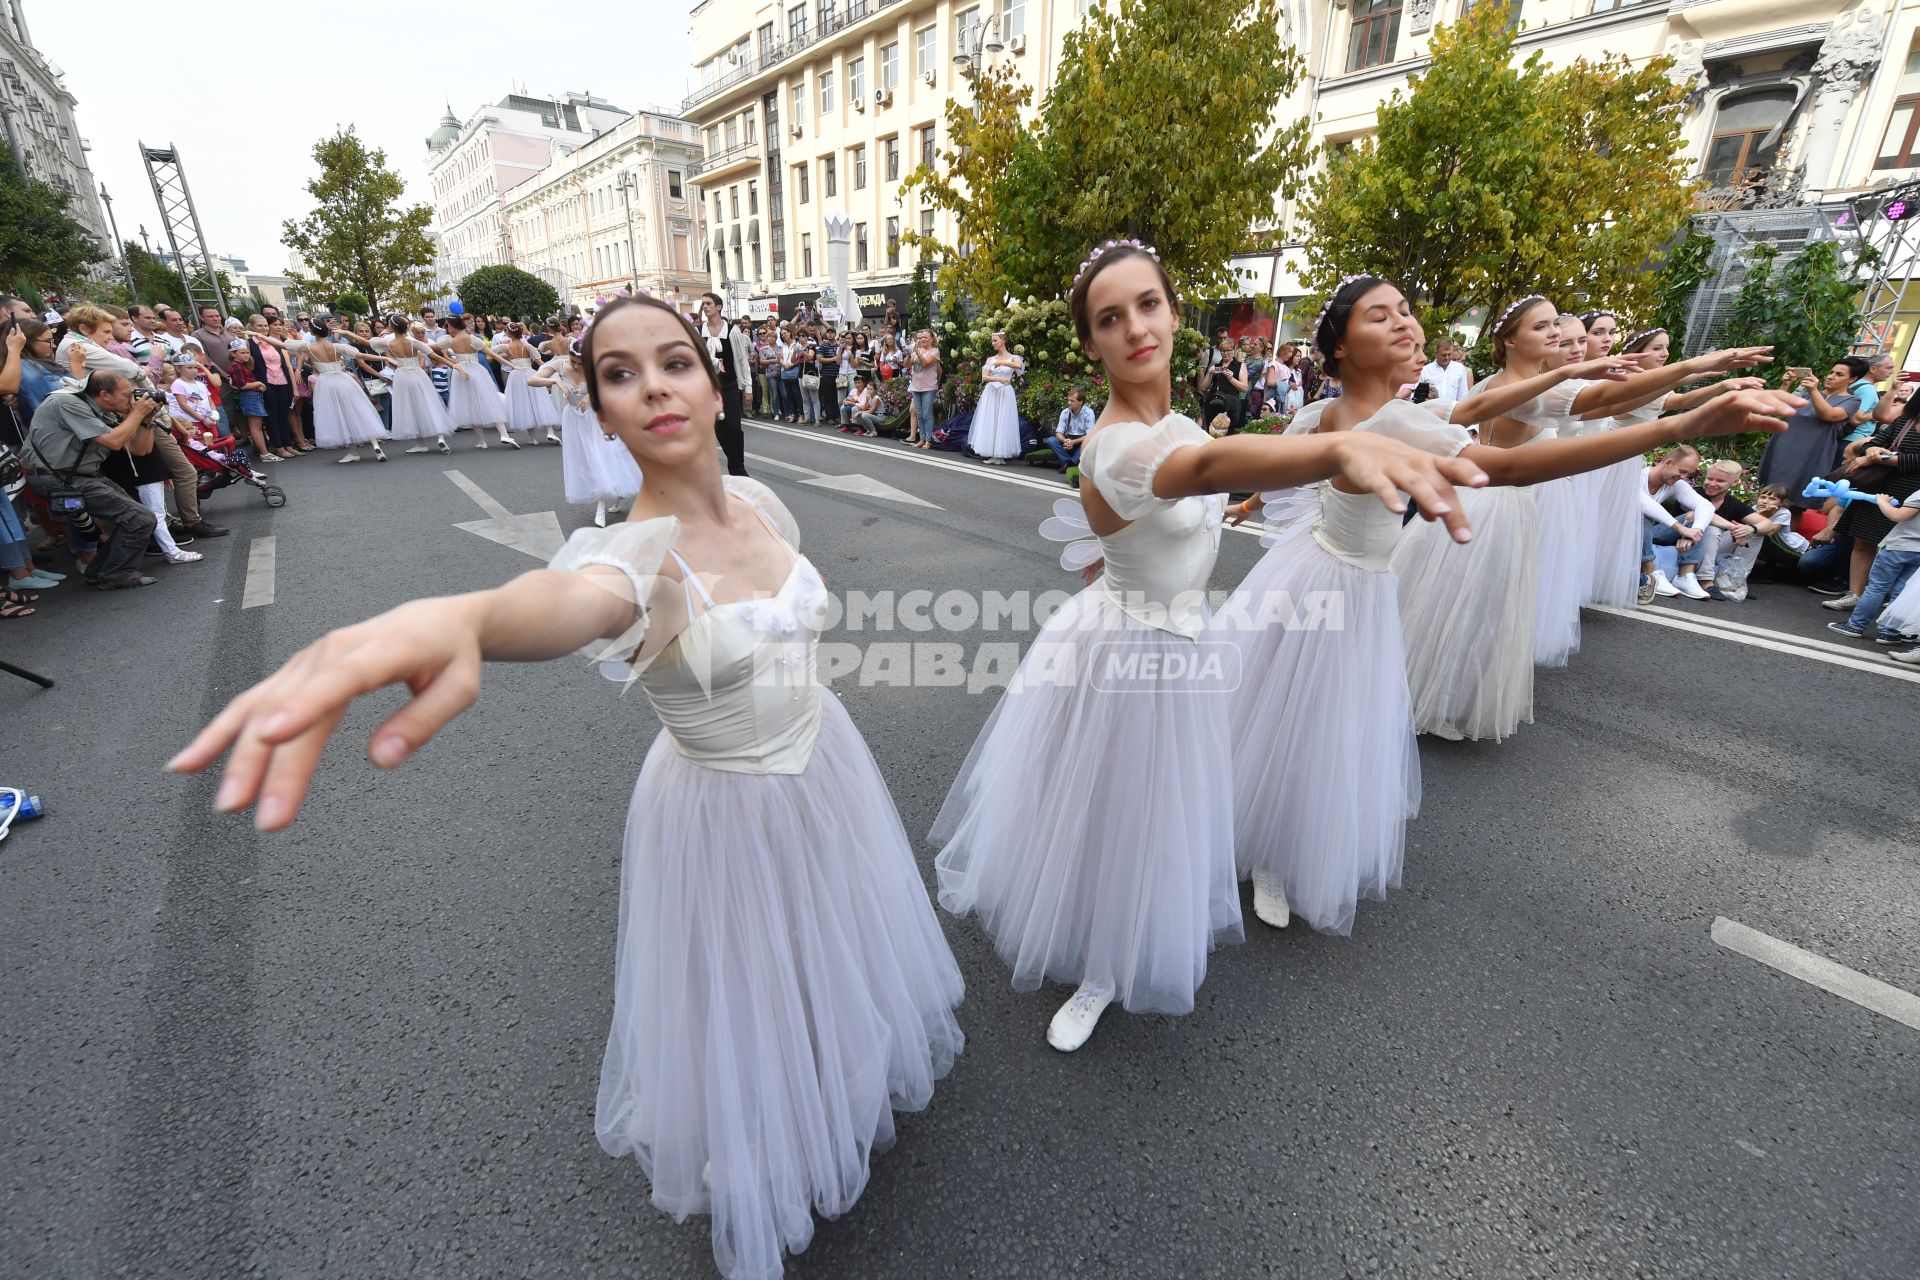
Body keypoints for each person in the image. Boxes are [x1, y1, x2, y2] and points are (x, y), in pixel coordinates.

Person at [168, 294, 965, 1280]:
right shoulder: (629, 556)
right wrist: (459, 618)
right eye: (620, 374)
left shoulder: (764, 506)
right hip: (722, 801)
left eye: (675, 361)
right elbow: (567, 600)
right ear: (598, 410)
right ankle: (770, 1140)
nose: (654, 386)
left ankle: (830, 1078)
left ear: (715, 383)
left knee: (827, 941)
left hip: (825, 762)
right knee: (748, 978)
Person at [932, 240, 1490, 1054]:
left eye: (1147, 305)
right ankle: (1097, 964)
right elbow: (1208, 466)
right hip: (1123, 652)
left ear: (1174, 311)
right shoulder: (1116, 446)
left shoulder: (1183, 421)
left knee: (1157, 807)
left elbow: (1212, 463)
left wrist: (1683, 421)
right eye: (1109, 318)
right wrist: (1338, 447)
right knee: (1107, 806)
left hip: (1184, 648)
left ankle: (1118, 947)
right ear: (1091, 342)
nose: (1133, 328)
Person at [1218, 276, 1797, 934]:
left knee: (1327, 722)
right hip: (1315, 576)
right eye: (1381, 317)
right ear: (1341, 348)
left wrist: (1662, 397)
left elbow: (1484, 415)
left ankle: (1276, 842)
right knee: (1289, 714)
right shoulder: (1334, 413)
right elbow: (1503, 466)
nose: (1405, 323)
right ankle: (1257, 840)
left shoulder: (1412, 413)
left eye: (1407, 309)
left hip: (1363, 585)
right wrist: (1682, 422)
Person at [22, 371, 162, 589]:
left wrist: (146, 420)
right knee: (140, 518)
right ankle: (115, 574)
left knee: (137, 517)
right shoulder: (66, 402)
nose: (132, 399)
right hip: (58, 479)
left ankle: (99, 572)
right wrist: (136, 414)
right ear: (105, 394)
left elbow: (140, 449)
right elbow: (114, 442)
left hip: (80, 476)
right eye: (127, 395)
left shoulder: (101, 408)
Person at [529, 339, 642, 528]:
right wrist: (554, 380)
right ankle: (619, 494)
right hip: (573, 419)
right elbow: (532, 380)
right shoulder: (559, 365)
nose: (576, 366)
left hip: (597, 417)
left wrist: (592, 395)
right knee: (586, 462)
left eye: (581, 364)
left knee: (602, 458)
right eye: (573, 361)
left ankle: (601, 506)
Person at [1757, 360, 1860, 508]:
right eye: (1831, 372)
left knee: (1795, 502)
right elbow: (1776, 408)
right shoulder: (1805, 393)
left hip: (1812, 453)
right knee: (1767, 492)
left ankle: (1784, 530)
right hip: (1783, 445)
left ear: (1852, 379)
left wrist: (1813, 391)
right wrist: (1786, 384)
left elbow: (1829, 415)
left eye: (1839, 374)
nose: (1831, 376)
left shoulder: (1852, 400)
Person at [1829, 487, 1920, 639]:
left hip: (1898, 547)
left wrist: (1882, 502)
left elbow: (1897, 516)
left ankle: (1855, 625)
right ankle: (1889, 633)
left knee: (1876, 588)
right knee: (1902, 592)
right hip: (1918, 552)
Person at [696, 294, 750, 475]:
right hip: (707, 389)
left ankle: (737, 468)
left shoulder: (732, 330)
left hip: (729, 385)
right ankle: (731, 466)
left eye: (708, 303)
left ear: (718, 307)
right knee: (717, 429)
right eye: (703, 304)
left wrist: (747, 387)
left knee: (734, 428)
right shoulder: (698, 331)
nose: (705, 307)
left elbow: (741, 360)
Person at [1200, 335, 1249, 434]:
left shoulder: (1240, 365)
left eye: (1229, 350)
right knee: (1211, 432)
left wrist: (1231, 378)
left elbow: (1244, 388)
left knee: (1228, 434)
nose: (1226, 353)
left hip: (1231, 405)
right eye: (1223, 351)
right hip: (1214, 402)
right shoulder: (1216, 366)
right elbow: (1203, 387)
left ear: (1234, 350)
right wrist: (1209, 373)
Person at [1047, 386, 1094, 471]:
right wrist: (1065, 441)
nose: (1069, 403)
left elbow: (1089, 435)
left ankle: (1069, 463)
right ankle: (1068, 462)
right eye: (1068, 400)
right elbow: (1058, 432)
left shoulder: (1089, 413)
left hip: (1080, 443)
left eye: (1072, 401)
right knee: (1051, 440)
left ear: (1080, 402)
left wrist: (1074, 442)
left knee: (1089, 443)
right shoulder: (1065, 412)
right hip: (1068, 442)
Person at [907, 330, 941, 447]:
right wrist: (908, 354)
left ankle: (928, 440)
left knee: (927, 414)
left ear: (932, 339)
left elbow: (925, 363)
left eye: (925, 337)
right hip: (916, 386)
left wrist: (918, 352)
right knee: (919, 414)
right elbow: (908, 364)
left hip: (928, 387)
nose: (922, 340)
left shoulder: (935, 352)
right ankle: (921, 438)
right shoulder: (917, 350)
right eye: (921, 338)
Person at [1417, 338, 1472, 402]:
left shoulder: (1459, 368)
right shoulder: (1425, 370)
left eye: (1449, 354)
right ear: (1436, 353)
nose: (1447, 358)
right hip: (1431, 409)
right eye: (1444, 355)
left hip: (1452, 410)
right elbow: (1417, 394)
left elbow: (1462, 394)